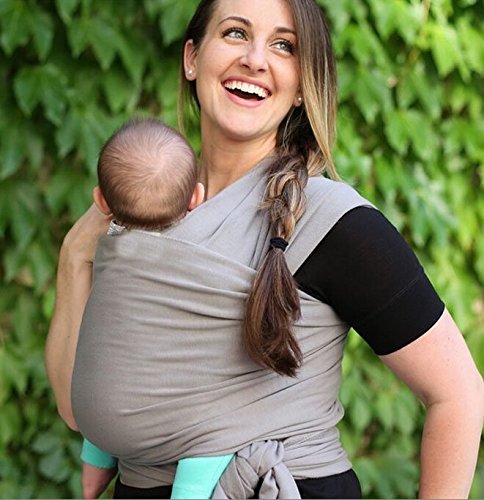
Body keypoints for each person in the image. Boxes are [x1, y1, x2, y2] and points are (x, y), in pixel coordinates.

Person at [45, 0, 484, 498]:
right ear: (192, 58)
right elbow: (76, 407)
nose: (255, 59)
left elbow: (457, 393)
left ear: (301, 87)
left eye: (283, 46)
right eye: (235, 33)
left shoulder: (334, 223)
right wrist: (74, 256)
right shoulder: (141, 207)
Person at [77, 117, 233, 499]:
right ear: (196, 198)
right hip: (172, 421)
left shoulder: (108, 252)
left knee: (114, 366)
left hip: (98, 412)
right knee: (222, 427)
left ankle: (93, 471)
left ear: (101, 201)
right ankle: (189, 492)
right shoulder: (201, 249)